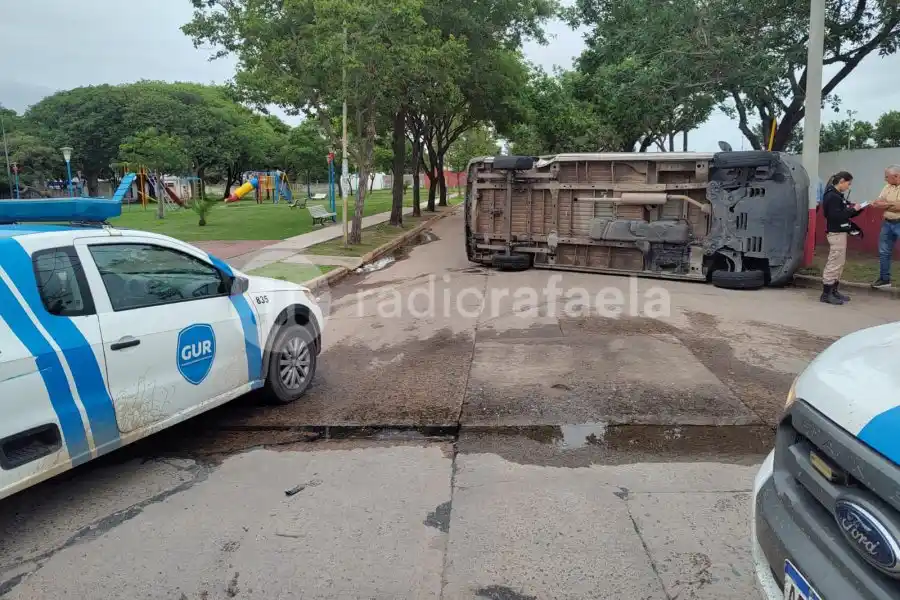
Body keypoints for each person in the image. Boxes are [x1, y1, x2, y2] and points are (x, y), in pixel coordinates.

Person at [820, 171, 863, 305]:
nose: (848, 187)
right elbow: (835, 216)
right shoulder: (832, 196)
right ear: (842, 181)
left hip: (840, 231)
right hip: (836, 233)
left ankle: (834, 290)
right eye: (848, 184)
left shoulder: (837, 195)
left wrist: (857, 209)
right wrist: (853, 210)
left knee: (839, 262)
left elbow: (843, 213)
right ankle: (826, 293)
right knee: (834, 262)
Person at [871, 165, 900, 289]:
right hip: (887, 223)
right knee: (884, 252)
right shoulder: (887, 186)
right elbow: (877, 203)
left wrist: (885, 205)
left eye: (887, 177)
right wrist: (892, 205)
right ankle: (884, 279)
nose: (885, 179)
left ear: (896, 176)